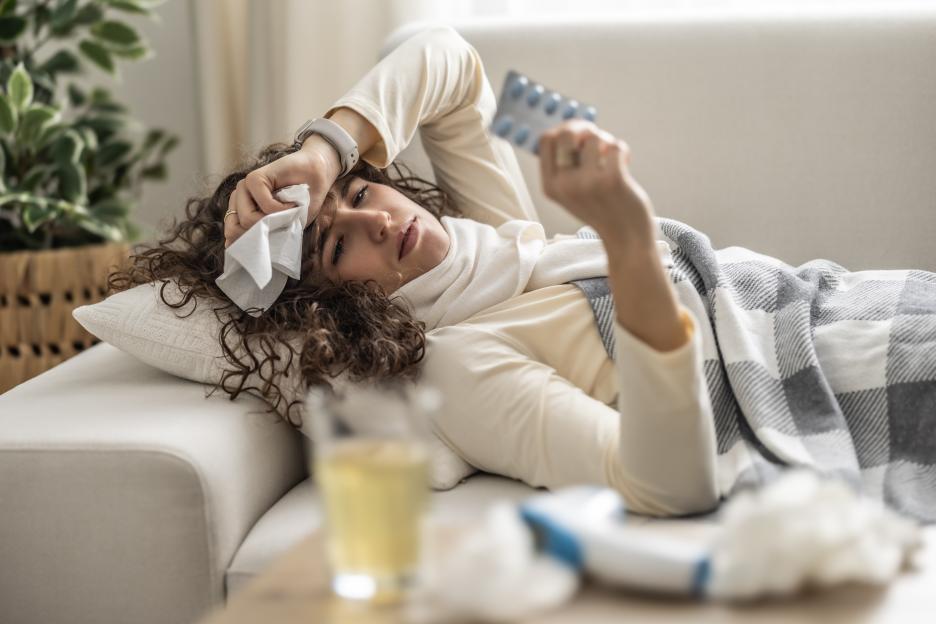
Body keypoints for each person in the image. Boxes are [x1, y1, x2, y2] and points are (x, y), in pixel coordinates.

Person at [110, 26, 936, 520]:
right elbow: (665, 483)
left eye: (360, 193)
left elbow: (445, 60)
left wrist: (321, 149)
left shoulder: (501, 237)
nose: (376, 218)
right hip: (852, 374)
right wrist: (629, 234)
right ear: (337, 310)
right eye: (335, 247)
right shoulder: (463, 361)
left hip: (853, 299)